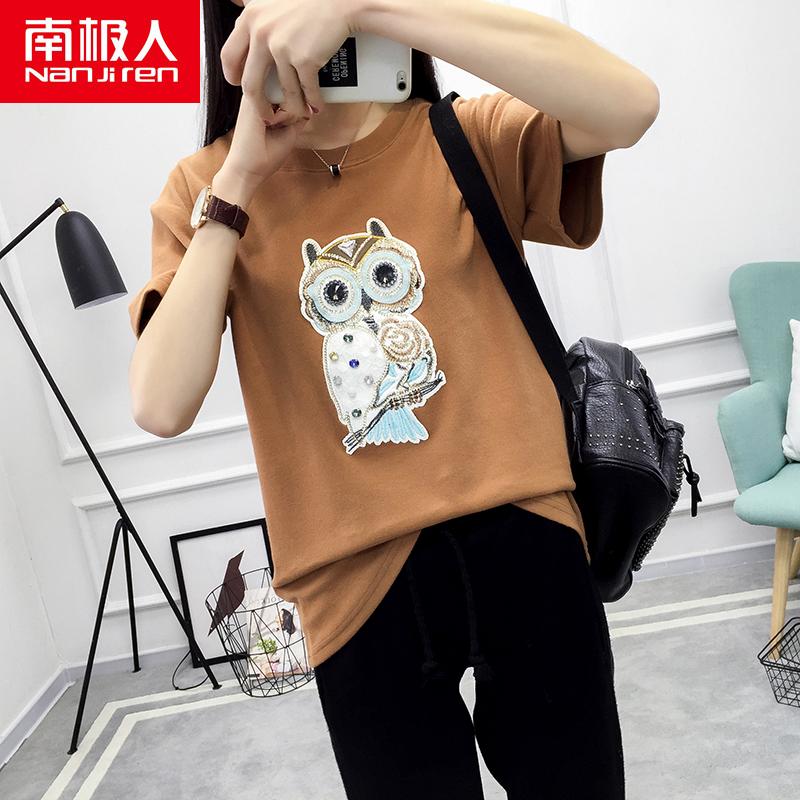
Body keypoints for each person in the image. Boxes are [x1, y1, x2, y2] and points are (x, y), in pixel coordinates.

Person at [128, 1, 659, 797]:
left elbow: (631, 105)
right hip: (353, 582)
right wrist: (237, 181)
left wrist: (371, 7)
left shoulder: (459, 136)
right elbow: (160, 405)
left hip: (526, 536)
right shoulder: (204, 187)